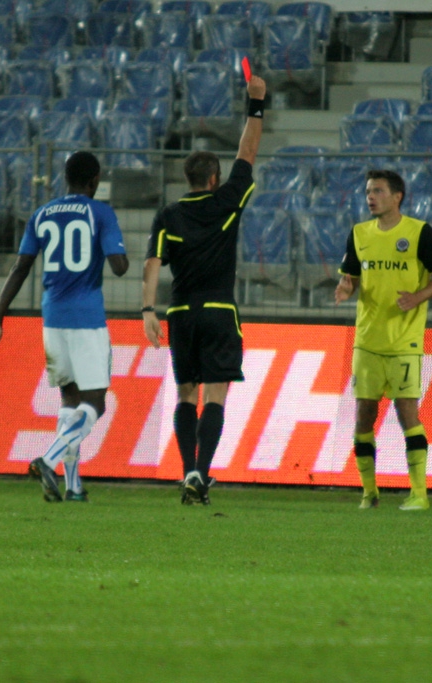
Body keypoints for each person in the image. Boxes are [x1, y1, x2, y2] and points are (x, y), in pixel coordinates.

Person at [141, 74, 267, 506]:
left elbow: (152, 263)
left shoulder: (168, 215)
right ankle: (202, 472)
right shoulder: (226, 201)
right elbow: (247, 152)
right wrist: (256, 103)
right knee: (215, 394)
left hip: (179, 314)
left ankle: (187, 471)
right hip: (218, 311)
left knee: (185, 393)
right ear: (214, 178)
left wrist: (147, 310)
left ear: (188, 178)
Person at [0, 151, 129, 503]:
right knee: (96, 401)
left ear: (66, 179)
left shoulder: (42, 213)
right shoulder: (100, 212)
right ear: (94, 180)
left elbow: (20, 268)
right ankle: (48, 460)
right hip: (86, 317)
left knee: (70, 397)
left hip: (51, 317)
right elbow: (121, 267)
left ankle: (73, 487)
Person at [334, 170, 432, 511]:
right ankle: (369, 492)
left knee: (407, 411)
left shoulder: (419, 233)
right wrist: (344, 287)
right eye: (369, 191)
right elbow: (350, 276)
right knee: (363, 416)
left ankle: (419, 494)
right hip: (367, 340)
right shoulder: (359, 234)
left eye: (379, 191)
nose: (371, 197)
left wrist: (418, 297)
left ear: (397, 196)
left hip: (404, 340)